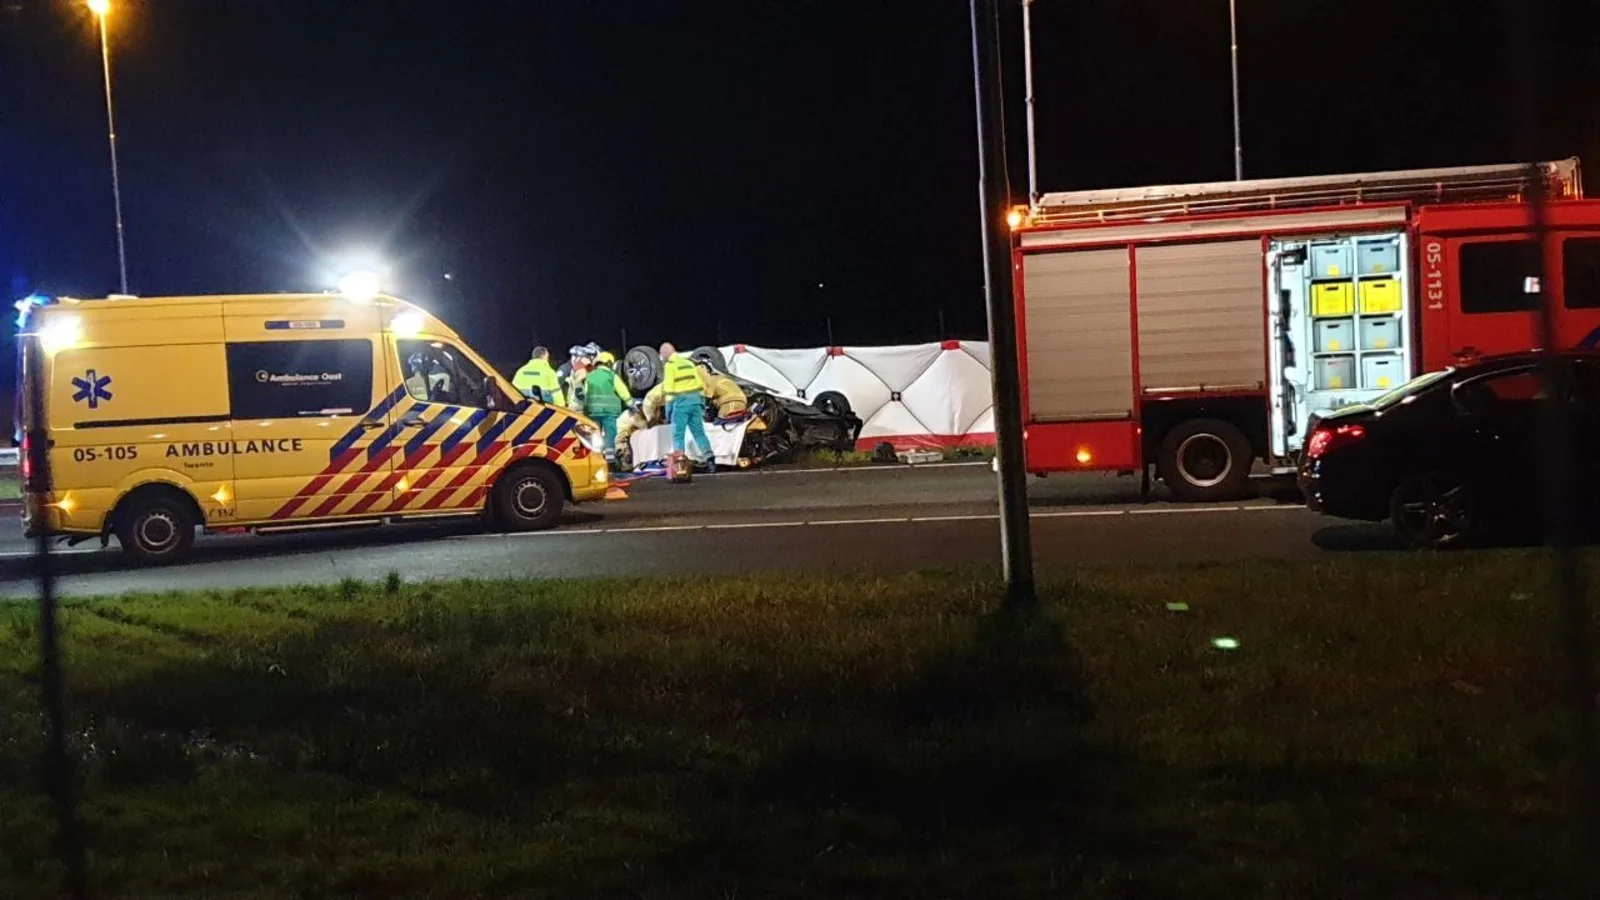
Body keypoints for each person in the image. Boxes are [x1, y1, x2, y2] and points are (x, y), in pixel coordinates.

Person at [659, 342, 714, 471]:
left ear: (665, 354)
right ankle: (710, 460)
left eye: (661, 355)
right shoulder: (689, 363)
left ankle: (680, 465)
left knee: (678, 435)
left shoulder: (670, 366)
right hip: (696, 402)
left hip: (681, 404)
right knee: (699, 433)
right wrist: (701, 403)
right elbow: (700, 384)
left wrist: (668, 412)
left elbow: (669, 390)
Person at [581, 350, 632, 457]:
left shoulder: (589, 376)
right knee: (610, 434)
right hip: (610, 412)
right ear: (609, 363)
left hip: (593, 412)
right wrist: (631, 403)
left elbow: (585, 394)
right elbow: (622, 390)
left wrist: (585, 410)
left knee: (595, 436)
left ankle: (597, 458)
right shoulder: (611, 376)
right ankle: (610, 458)